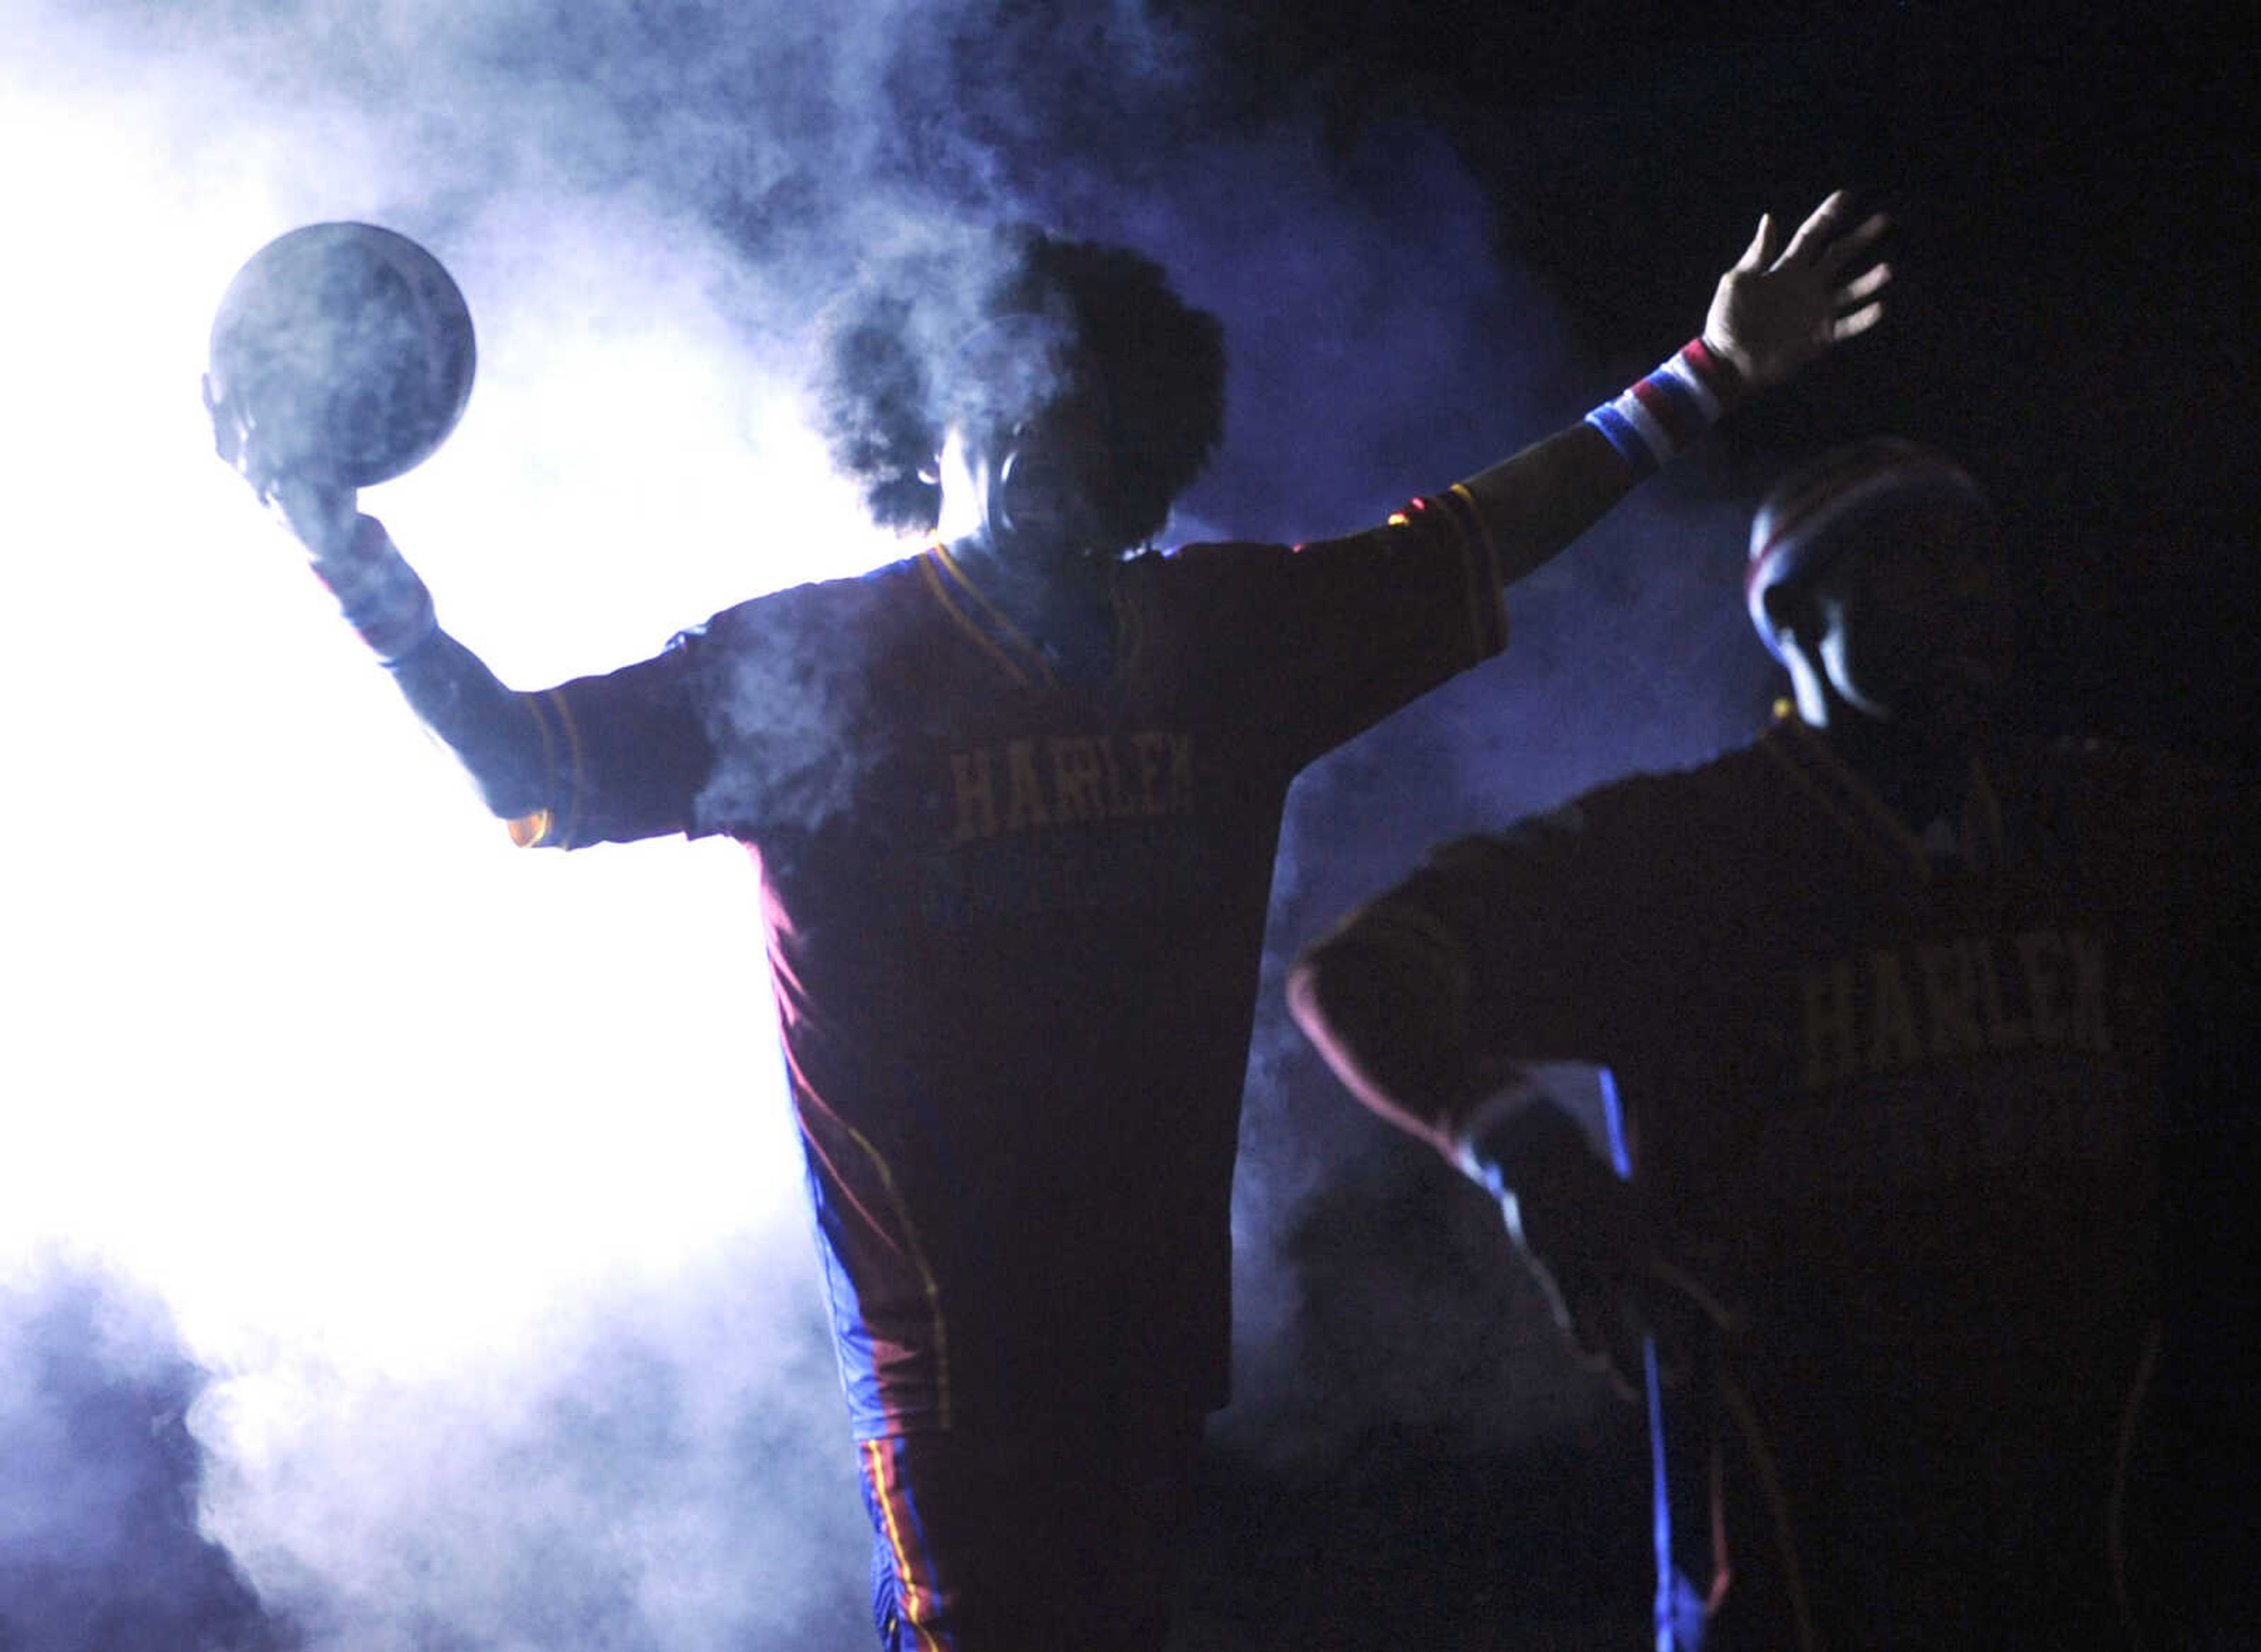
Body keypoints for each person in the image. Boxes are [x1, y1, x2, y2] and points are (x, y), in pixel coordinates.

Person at [209, 198, 1888, 1651]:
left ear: (1138, 437)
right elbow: (529, 773)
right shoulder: (813, 664)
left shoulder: (1231, 636)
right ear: (919, 422)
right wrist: (353, 563)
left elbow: (1468, 542)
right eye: (1001, 392)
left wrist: (1705, 378)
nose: (1041, 428)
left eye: (1080, 402)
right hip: (956, 1370)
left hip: (1152, 1358)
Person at [1288, 439, 2259, 1650]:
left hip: (2099, 1546)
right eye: (1912, 562)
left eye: (1983, 558)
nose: (1971, 594)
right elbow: (1360, 973)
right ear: (1791, 610)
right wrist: (1530, 1153)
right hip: (1805, 1558)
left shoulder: (2113, 822)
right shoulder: (1683, 853)